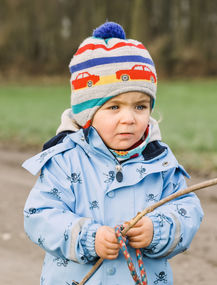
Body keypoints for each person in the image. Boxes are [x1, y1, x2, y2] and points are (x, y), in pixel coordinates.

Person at [23, 22, 204, 285]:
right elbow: (39, 215)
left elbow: (188, 210)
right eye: (114, 107)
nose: (129, 118)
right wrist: (87, 238)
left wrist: (158, 229)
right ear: (88, 113)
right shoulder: (65, 160)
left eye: (140, 106)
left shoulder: (160, 161)